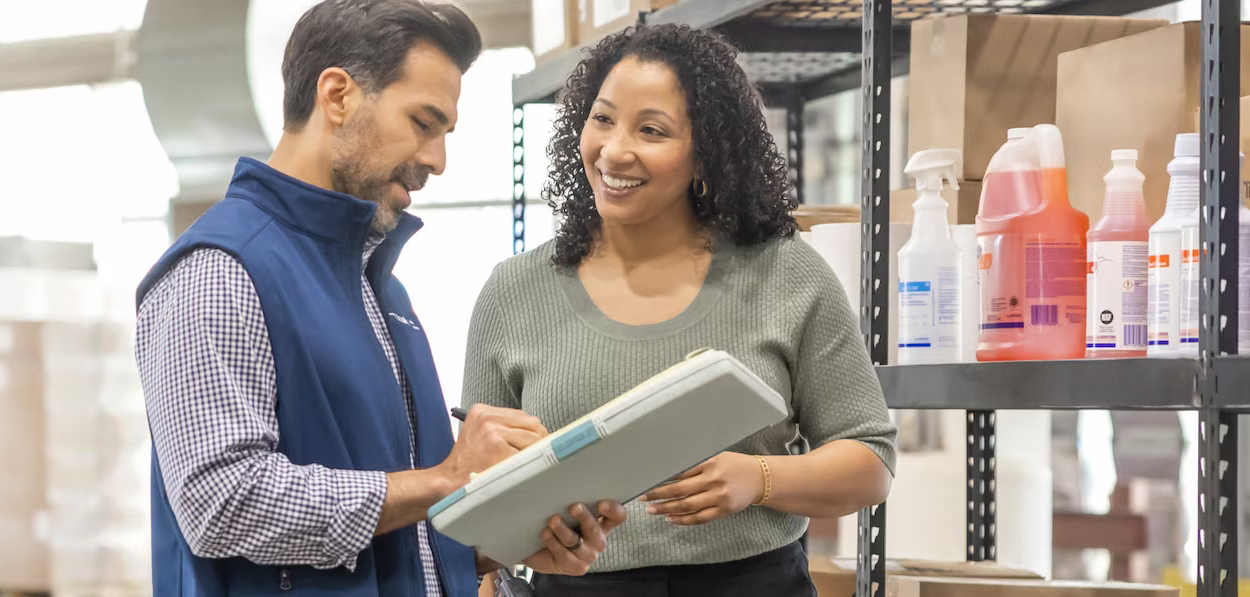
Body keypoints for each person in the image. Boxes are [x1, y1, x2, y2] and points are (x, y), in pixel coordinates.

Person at [133, 1, 625, 595]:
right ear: (337, 95)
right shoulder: (220, 271)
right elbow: (222, 502)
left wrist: (504, 547)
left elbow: (393, 533)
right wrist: (444, 480)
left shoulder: (381, 289)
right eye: (423, 122)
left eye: (444, 134)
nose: (437, 161)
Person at [461, 24, 896, 596]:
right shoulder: (513, 292)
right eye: (603, 119)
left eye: (652, 130)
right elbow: (478, 505)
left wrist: (759, 478)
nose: (614, 150)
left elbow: (871, 461)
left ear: (707, 154)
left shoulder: (786, 274)